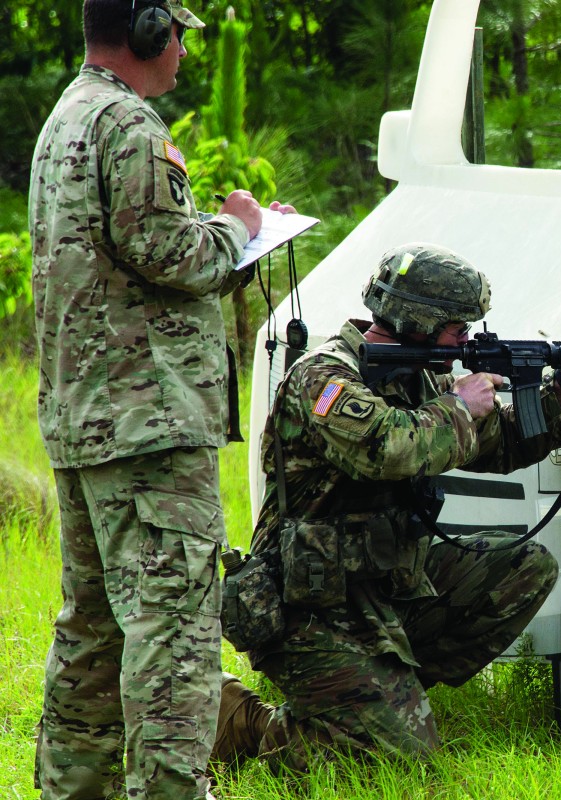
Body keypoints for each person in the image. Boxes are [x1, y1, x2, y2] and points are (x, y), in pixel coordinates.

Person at [211, 243, 561, 769]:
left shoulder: (419, 376)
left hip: (389, 583)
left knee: (525, 569)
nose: (465, 339)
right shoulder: (325, 378)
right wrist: (457, 407)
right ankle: (243, 720)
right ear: (417, 321)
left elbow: (503, 443)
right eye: (456, 328)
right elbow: (388, 448)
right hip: (309, 601)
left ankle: (380, 692)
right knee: (402, 760)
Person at [28, 1, 291, 797]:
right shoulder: (130, 125)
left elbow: (125, 262)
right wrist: (240, 228)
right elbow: (169, 250)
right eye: (176, 30)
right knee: (172, 641)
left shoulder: (64, 121)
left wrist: (225, 239)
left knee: (94, 636)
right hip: (149, 429)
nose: (182, 47)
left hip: (84, 423)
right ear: (146, 32)